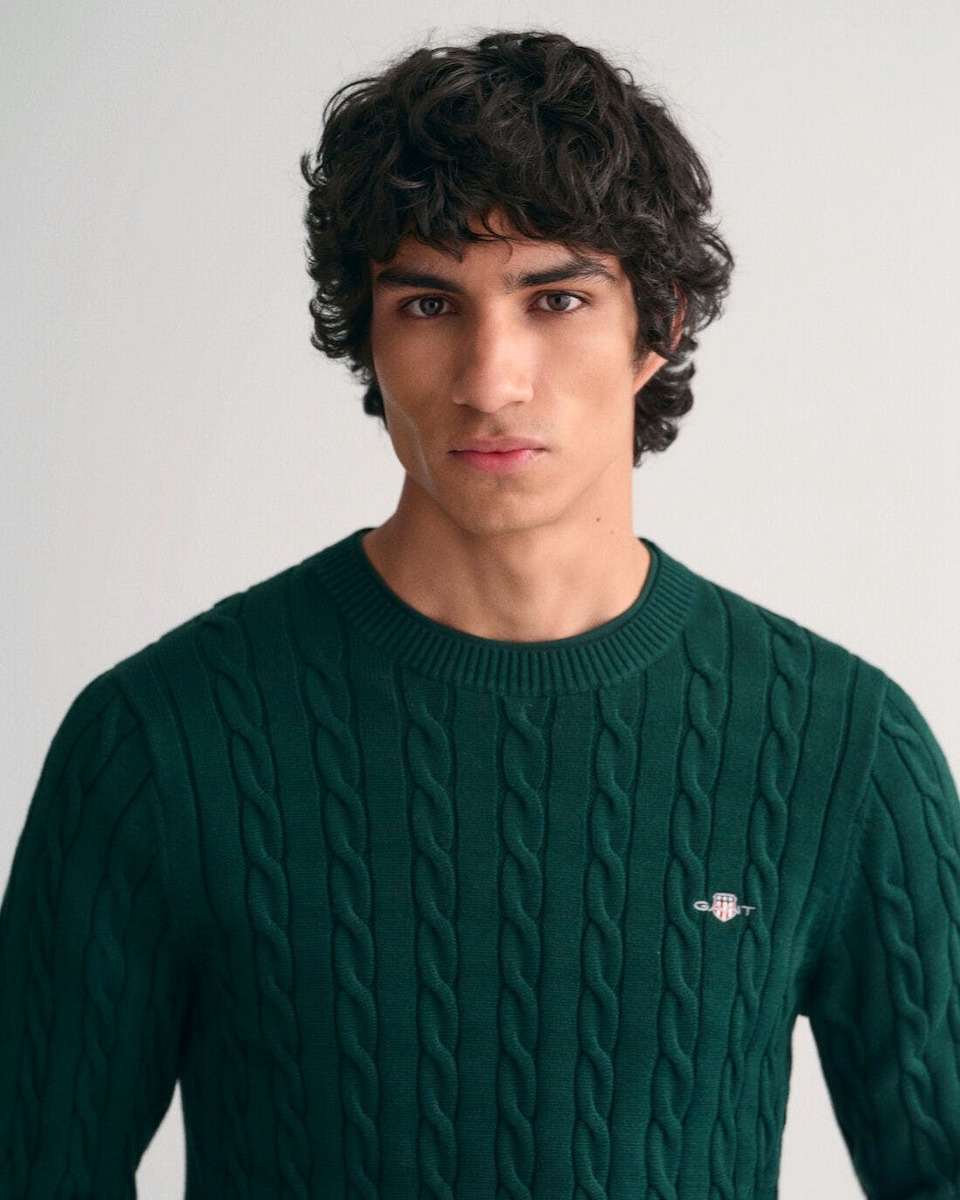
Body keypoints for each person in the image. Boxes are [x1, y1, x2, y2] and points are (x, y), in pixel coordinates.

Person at [1, 28, 957, 1198]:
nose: (491, 378)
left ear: (657, 323)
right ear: (367, 333)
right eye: (427, 302)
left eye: (557, 297)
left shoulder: (839, 745)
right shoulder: (159, 743)